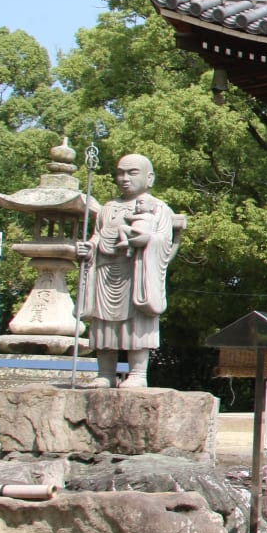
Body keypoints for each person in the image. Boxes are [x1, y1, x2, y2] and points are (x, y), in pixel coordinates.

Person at [75, 154, 180, 388]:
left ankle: (137, 374)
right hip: (105, 271)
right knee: (103, 324)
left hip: (138, 272)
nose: (124, 178)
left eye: (132, 173)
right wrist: (88, 248)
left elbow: (164, 242)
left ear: (149, 178)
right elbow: (97, 236)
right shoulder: (107, 208)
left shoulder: (158, 208)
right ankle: (105, 373)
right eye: (120, 173)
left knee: (138, 323)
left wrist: (147, 241)